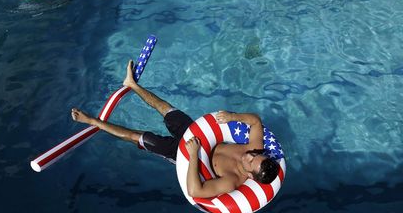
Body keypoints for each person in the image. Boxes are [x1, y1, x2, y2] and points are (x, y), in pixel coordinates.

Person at [71, 60, 279, 198]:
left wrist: (194, 154)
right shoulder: (255, 150)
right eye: (254, 154)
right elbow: (256, 122)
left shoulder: (232, 181)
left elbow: (194, 190)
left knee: (140, 137)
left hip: (186, 154)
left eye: (251, 161)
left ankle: (92, 122)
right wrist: (234, 117)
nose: (249, 155)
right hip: (201, 135)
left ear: (251, 177)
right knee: (167, 109)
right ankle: (132, 84)